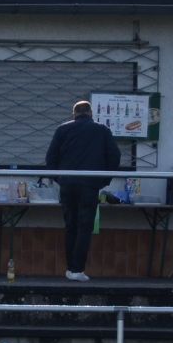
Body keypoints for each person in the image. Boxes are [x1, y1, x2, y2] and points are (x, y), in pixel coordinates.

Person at [43, 100, 120, 282]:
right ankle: (77, 269)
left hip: (67, 184)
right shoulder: (102, 130)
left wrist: (58, 178)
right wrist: (104, 180)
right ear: (91, 114)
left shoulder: (63, 129)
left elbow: (50, 156)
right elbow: (114, 155)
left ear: (74, 114)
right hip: (90, 184)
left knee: (71, 226)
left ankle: (70, 269)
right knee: (84, 227)